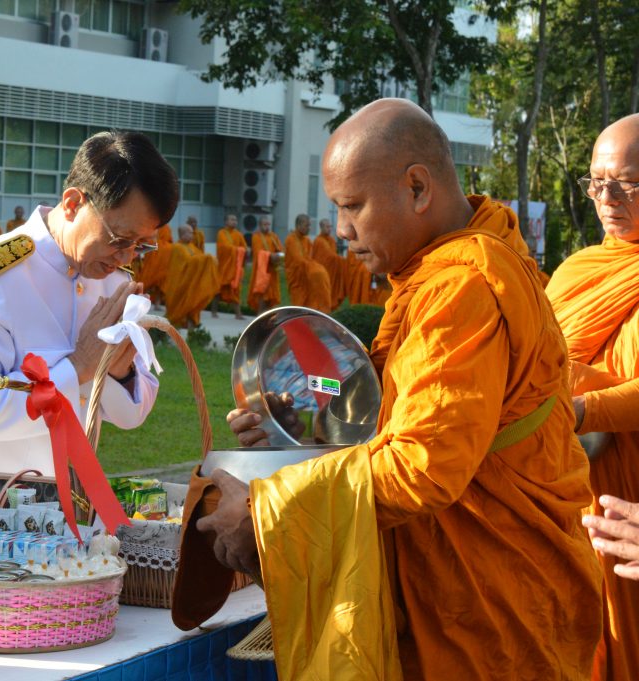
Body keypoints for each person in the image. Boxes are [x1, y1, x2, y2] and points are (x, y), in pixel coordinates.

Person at [199, 99, 601, 679]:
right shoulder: (454, 261)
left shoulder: (462, 287)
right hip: (458, 586)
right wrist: (306, 429)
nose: (341, 231)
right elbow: (414, 415)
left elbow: (422, 466)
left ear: (417, 188)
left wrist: (268, 512)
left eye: (353, 207)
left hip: (487, 614)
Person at [0, 131, 177, 475]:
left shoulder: (113, 282)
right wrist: (77, 368)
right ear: (74, 203)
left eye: (142, 245)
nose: (126, 255)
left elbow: (130, 415)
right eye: (119, 239)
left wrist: (120, 371)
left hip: (76, 500)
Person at [546, 112, 639, 681]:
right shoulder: (577, 270)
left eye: (626, 182)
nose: (606, 196)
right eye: (595, 181)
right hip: (571, 493)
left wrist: (586, 406)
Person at [163, 223, 219, 329]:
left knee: (191, 308)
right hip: (179, 286)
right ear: (182, 234)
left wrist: (207, 260)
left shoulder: (192, 247)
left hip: (191, 285)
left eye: (192, 233)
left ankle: (191, 331)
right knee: (179, 311)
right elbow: (187, 263)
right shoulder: (177, 247)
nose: (192, 235)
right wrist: (207, 259)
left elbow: (198, 258)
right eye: (189, 233)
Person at [283, 214, 332, 313]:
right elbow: (298, 260)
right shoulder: (291, 240)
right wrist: (315, 268)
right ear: (298, 225)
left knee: (309, 306)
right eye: (307, 226)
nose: (309, 228)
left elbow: (310, 258)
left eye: (309, 225)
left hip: (307, 278)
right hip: (297, 278)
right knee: (298, 306)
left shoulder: (307, 241)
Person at [246, 216, 283, 315]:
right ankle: (259, 315)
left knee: (270, 297)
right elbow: (258, 253)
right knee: (262, 294)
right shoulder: (256, 237)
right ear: (259, 225)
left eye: (268, 224)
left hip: (272, 270)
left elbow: (279, 249)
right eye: (264, 224)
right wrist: (270, 256)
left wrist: (278, 255)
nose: (267, 227)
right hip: (262, 271)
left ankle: (268, 317)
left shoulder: (273, 236)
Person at [212, 214, 247, 319]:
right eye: (232, 219)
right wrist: (238, 250)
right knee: (218, 290)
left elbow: (244, 247)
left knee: (235, 290)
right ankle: (214, 311)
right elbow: (224, 248)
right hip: (224, 268)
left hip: (235, 269)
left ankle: (238, 313)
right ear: (226, 222)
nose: (234, 221)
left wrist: (243, 250)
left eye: (235, 219)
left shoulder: (238, 234)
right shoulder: (221, 233)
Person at [311, 217, 347, 309]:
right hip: (324, 272)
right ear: (321, 228)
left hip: (333, 271)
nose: (329, 229)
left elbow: (333, 256)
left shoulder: (331, 240)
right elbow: (329, 257)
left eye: (330, 227)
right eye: (327, 227)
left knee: (332, 292)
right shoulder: (318, 241)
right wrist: (344, 261)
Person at [137, 222, 174, 308]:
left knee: (159, 285)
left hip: (163, 262)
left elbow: (169, 240)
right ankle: (142, 302)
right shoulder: (152, 225)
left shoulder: (166, 227)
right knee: (147, 283)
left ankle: (156, 304)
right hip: (151, 261)